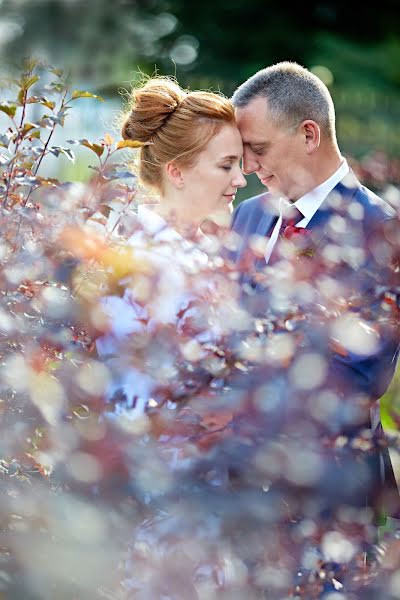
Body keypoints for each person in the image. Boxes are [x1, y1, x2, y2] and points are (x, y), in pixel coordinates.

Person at [228, 61, 400, 590]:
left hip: (327, 498)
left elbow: (359, 375)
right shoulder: (249, 216)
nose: (248, 164)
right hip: (239, 494)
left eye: (257, 147)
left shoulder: (379, 233)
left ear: (309, 134)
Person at [95, 76, 247, 419]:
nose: (240, 179)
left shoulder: (210, 252)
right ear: (176, 172)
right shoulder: (140, 264)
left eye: (238, 164)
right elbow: (129, 402)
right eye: (226, 165)